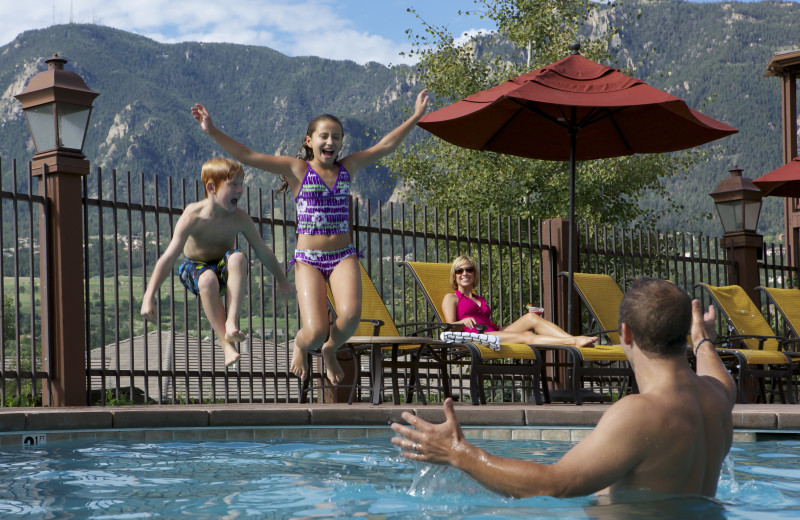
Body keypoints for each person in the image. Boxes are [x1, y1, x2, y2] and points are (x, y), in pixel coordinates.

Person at [392, 277, 737, 500]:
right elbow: (712, 367)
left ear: (626, 334)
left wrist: (459, 453)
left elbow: (553, 484)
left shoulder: (641, 413)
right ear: (684, 336)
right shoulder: (718, 395)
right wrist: (703, 338)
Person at [191, 90, 429, 384]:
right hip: (309, 259)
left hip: (343, 255)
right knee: (314, 331)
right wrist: (212, 130)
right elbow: (248, 156)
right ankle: (301, 345)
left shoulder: (348, 167)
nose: (331, 142)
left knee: (351, 317)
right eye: (324, 136)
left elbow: (385, 146)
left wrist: (415, 117)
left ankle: (331, 349)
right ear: (309, 141)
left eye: (337, 137)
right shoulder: (297, 169)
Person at [141, 157, 293, 367]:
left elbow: (263, 251)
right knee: (207, 281)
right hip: (194, 267)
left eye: (241, 184)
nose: (240, 190)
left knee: (238, 257)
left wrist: (282, 279)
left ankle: (231, 321)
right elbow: (168, 257)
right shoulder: (192, 215)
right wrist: (149, 296)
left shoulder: (239, 217)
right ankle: (226, 346)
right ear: (211, 187)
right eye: (233, 184)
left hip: (223, 267)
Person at [442, 255, 597, 348]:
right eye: (459, 270)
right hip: (476, 337)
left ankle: (571, 339)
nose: (464, 273)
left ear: (474, 274)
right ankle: (573, 342)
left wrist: (508, 327)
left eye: (469, 270)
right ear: (454, 275)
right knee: (526, 336)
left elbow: (489, 324)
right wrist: (463, 321)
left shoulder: (478, 299)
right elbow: (449, 328)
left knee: (531, 318)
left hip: (492, 332)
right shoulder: (451, 298)